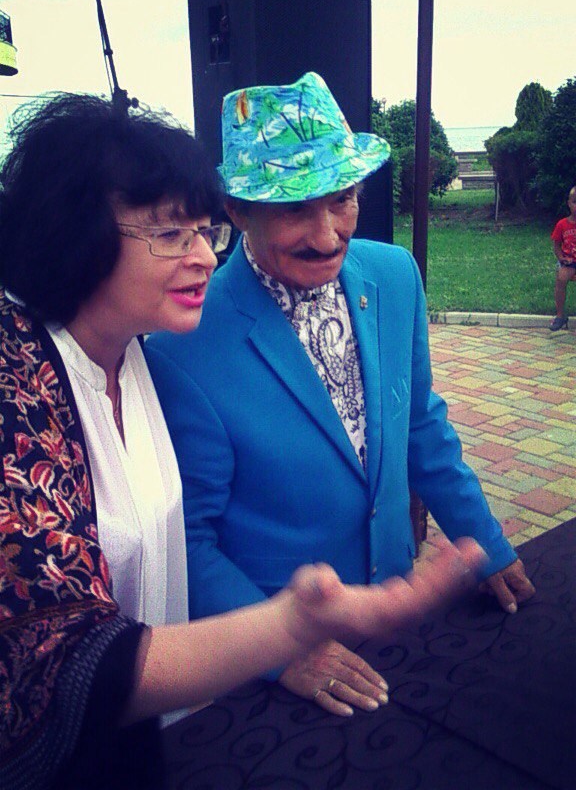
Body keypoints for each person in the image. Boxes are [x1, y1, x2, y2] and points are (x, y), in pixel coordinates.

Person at [0, 92, 487, 789]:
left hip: (171, 728)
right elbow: (62, 659)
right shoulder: (25, 384)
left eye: (202, 231)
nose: (204, 256)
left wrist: (481, 539)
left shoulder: (131, 354)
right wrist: (286, 630)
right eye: (172, 235)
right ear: (75, 234)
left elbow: (419, 421)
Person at [146, 71, 536, 717]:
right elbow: (187, 541)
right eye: (295, 208)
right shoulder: (182, 344)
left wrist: (485, 541)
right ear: (237, 210)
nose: (328, 235)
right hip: (280, 656)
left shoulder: (393, 274)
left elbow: (421, 425)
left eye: (343, 200)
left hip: (400, 614)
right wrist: (282, 651)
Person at [549, 184, 576, 331]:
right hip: (570, 261)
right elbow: (557, 245)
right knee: (561, 279)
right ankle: (560, 316)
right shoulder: (562, 224)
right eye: (575, 202)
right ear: (569, 203)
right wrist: (561, 258)